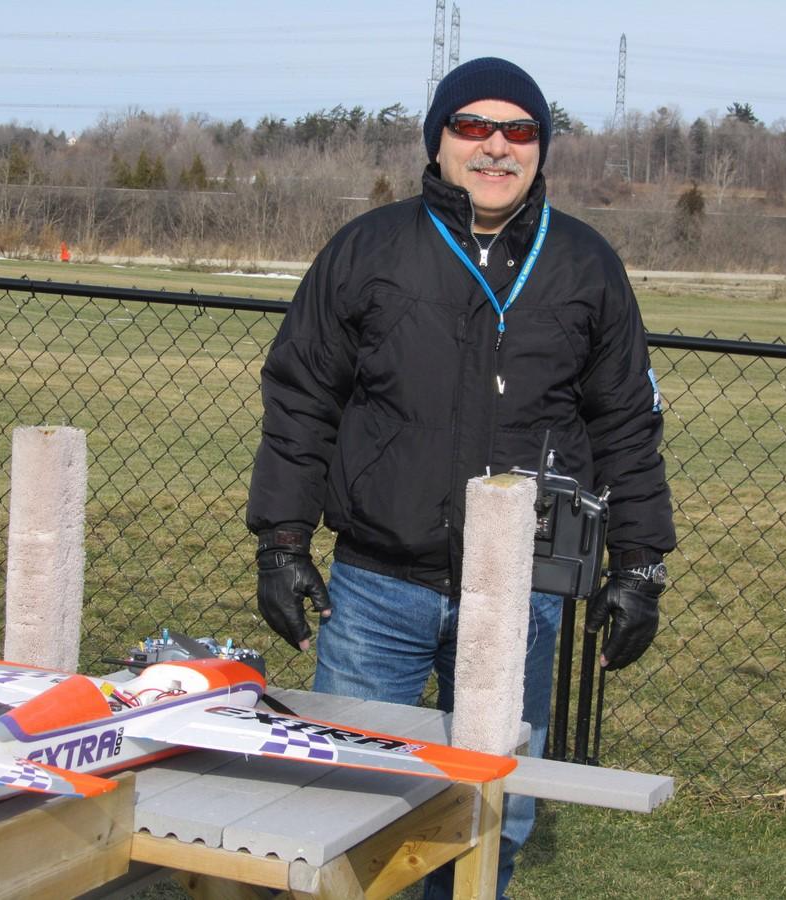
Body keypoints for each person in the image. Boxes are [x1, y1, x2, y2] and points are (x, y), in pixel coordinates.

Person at [247, 56, 676, 899]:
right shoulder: (370, 249)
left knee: (492, 814)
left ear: (541, 148)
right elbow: (301, 399)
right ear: (438, 141)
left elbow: (626, 423)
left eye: (519, 130)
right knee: (346, 803)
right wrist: (282, 540)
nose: (495, 147)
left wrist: (639, 565)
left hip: (520, 598)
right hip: (378, 586)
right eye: (472, 126)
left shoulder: (585, 264)